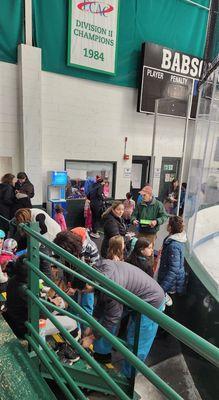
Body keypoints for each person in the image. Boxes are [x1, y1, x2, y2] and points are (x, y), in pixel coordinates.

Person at [82, 258, 165, 377]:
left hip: (151, 302)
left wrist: (92, 337)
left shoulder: (110, 288)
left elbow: (111, 319)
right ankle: (102, 356)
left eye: (84, 290)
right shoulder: (98, 271)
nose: (84, 292)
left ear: (88, 283)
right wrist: (93, 321)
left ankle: (126, 378)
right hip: (132, 296)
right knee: (104, 322)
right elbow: (102, 301)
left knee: (136, 343)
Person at [3, 256, 80, 362]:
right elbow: (43, 313)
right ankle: (68, 351)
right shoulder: (25, 290)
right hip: (27, 328)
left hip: (16, 320)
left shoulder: (13, 280)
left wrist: (49, 301)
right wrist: (52, 302)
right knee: (72, 323)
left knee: (60, 304)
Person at [15, 208, 61, 279]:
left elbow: (44, 230)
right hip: (42, 236)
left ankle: (47, 282)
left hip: (51, 234)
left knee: (44, 259)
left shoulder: (38, 215)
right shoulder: (29, 214)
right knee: (42, 257)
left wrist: (35, 245)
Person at [131, 185, 168, 265]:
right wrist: (133, 220)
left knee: (148, 251)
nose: (142, 197)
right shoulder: (140, 204)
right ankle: (136, 266)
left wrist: (156, 221)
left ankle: (149, 268)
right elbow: (134, 215)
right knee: (137, 249)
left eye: (144, 195)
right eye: (141, 195)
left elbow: (164, 216)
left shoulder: (158, 204)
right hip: (141, 231)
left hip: (151, 233)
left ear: (150, 195)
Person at [157, 216, 186, 296]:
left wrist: (162, 289)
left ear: (170, 227)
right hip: (169, 282)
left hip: (171, 287)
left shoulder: (174, 246)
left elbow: (173, 270)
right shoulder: (172, 239)